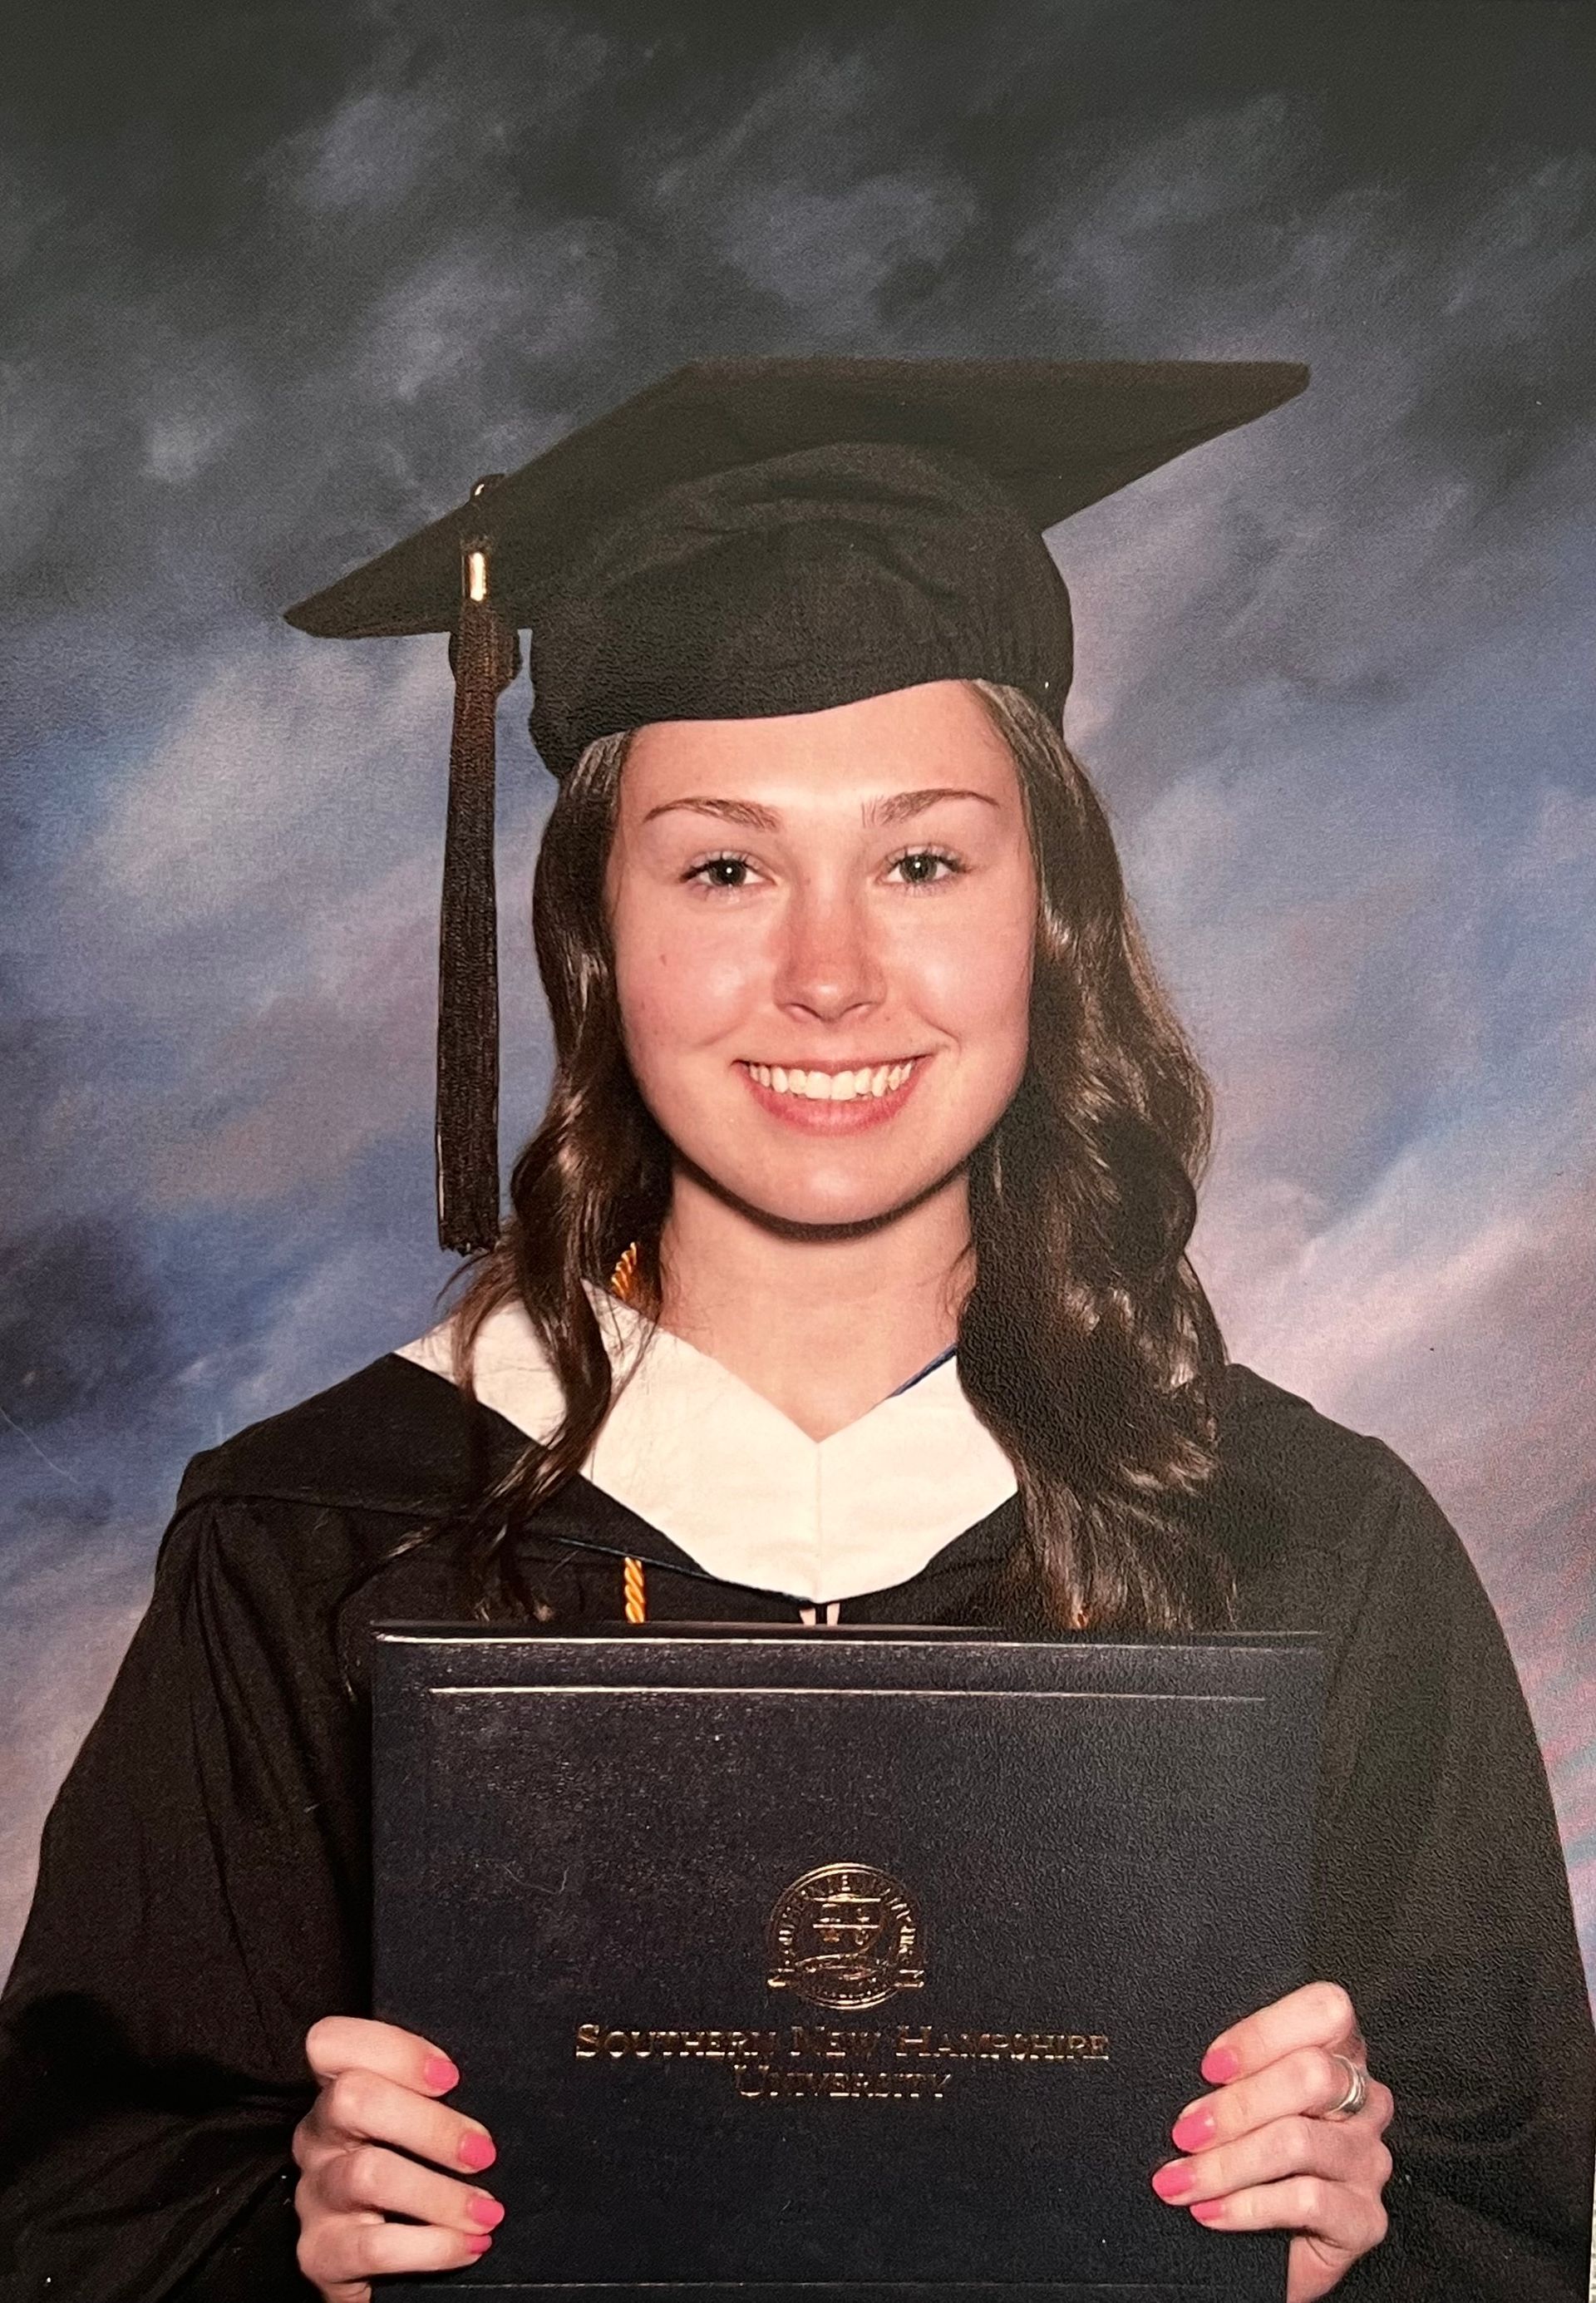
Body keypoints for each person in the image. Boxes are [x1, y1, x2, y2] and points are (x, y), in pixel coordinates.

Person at [0, 359, 1590, 2303]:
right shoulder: (317, 1538)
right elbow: (87, 2217)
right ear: (596, 930)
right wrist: (292, 2235)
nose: (829, 975)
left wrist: (1362, 2234)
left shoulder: (1314, 1543)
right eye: (725, 865)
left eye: (923, 859)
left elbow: (1504, 2218)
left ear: (1047, 914)